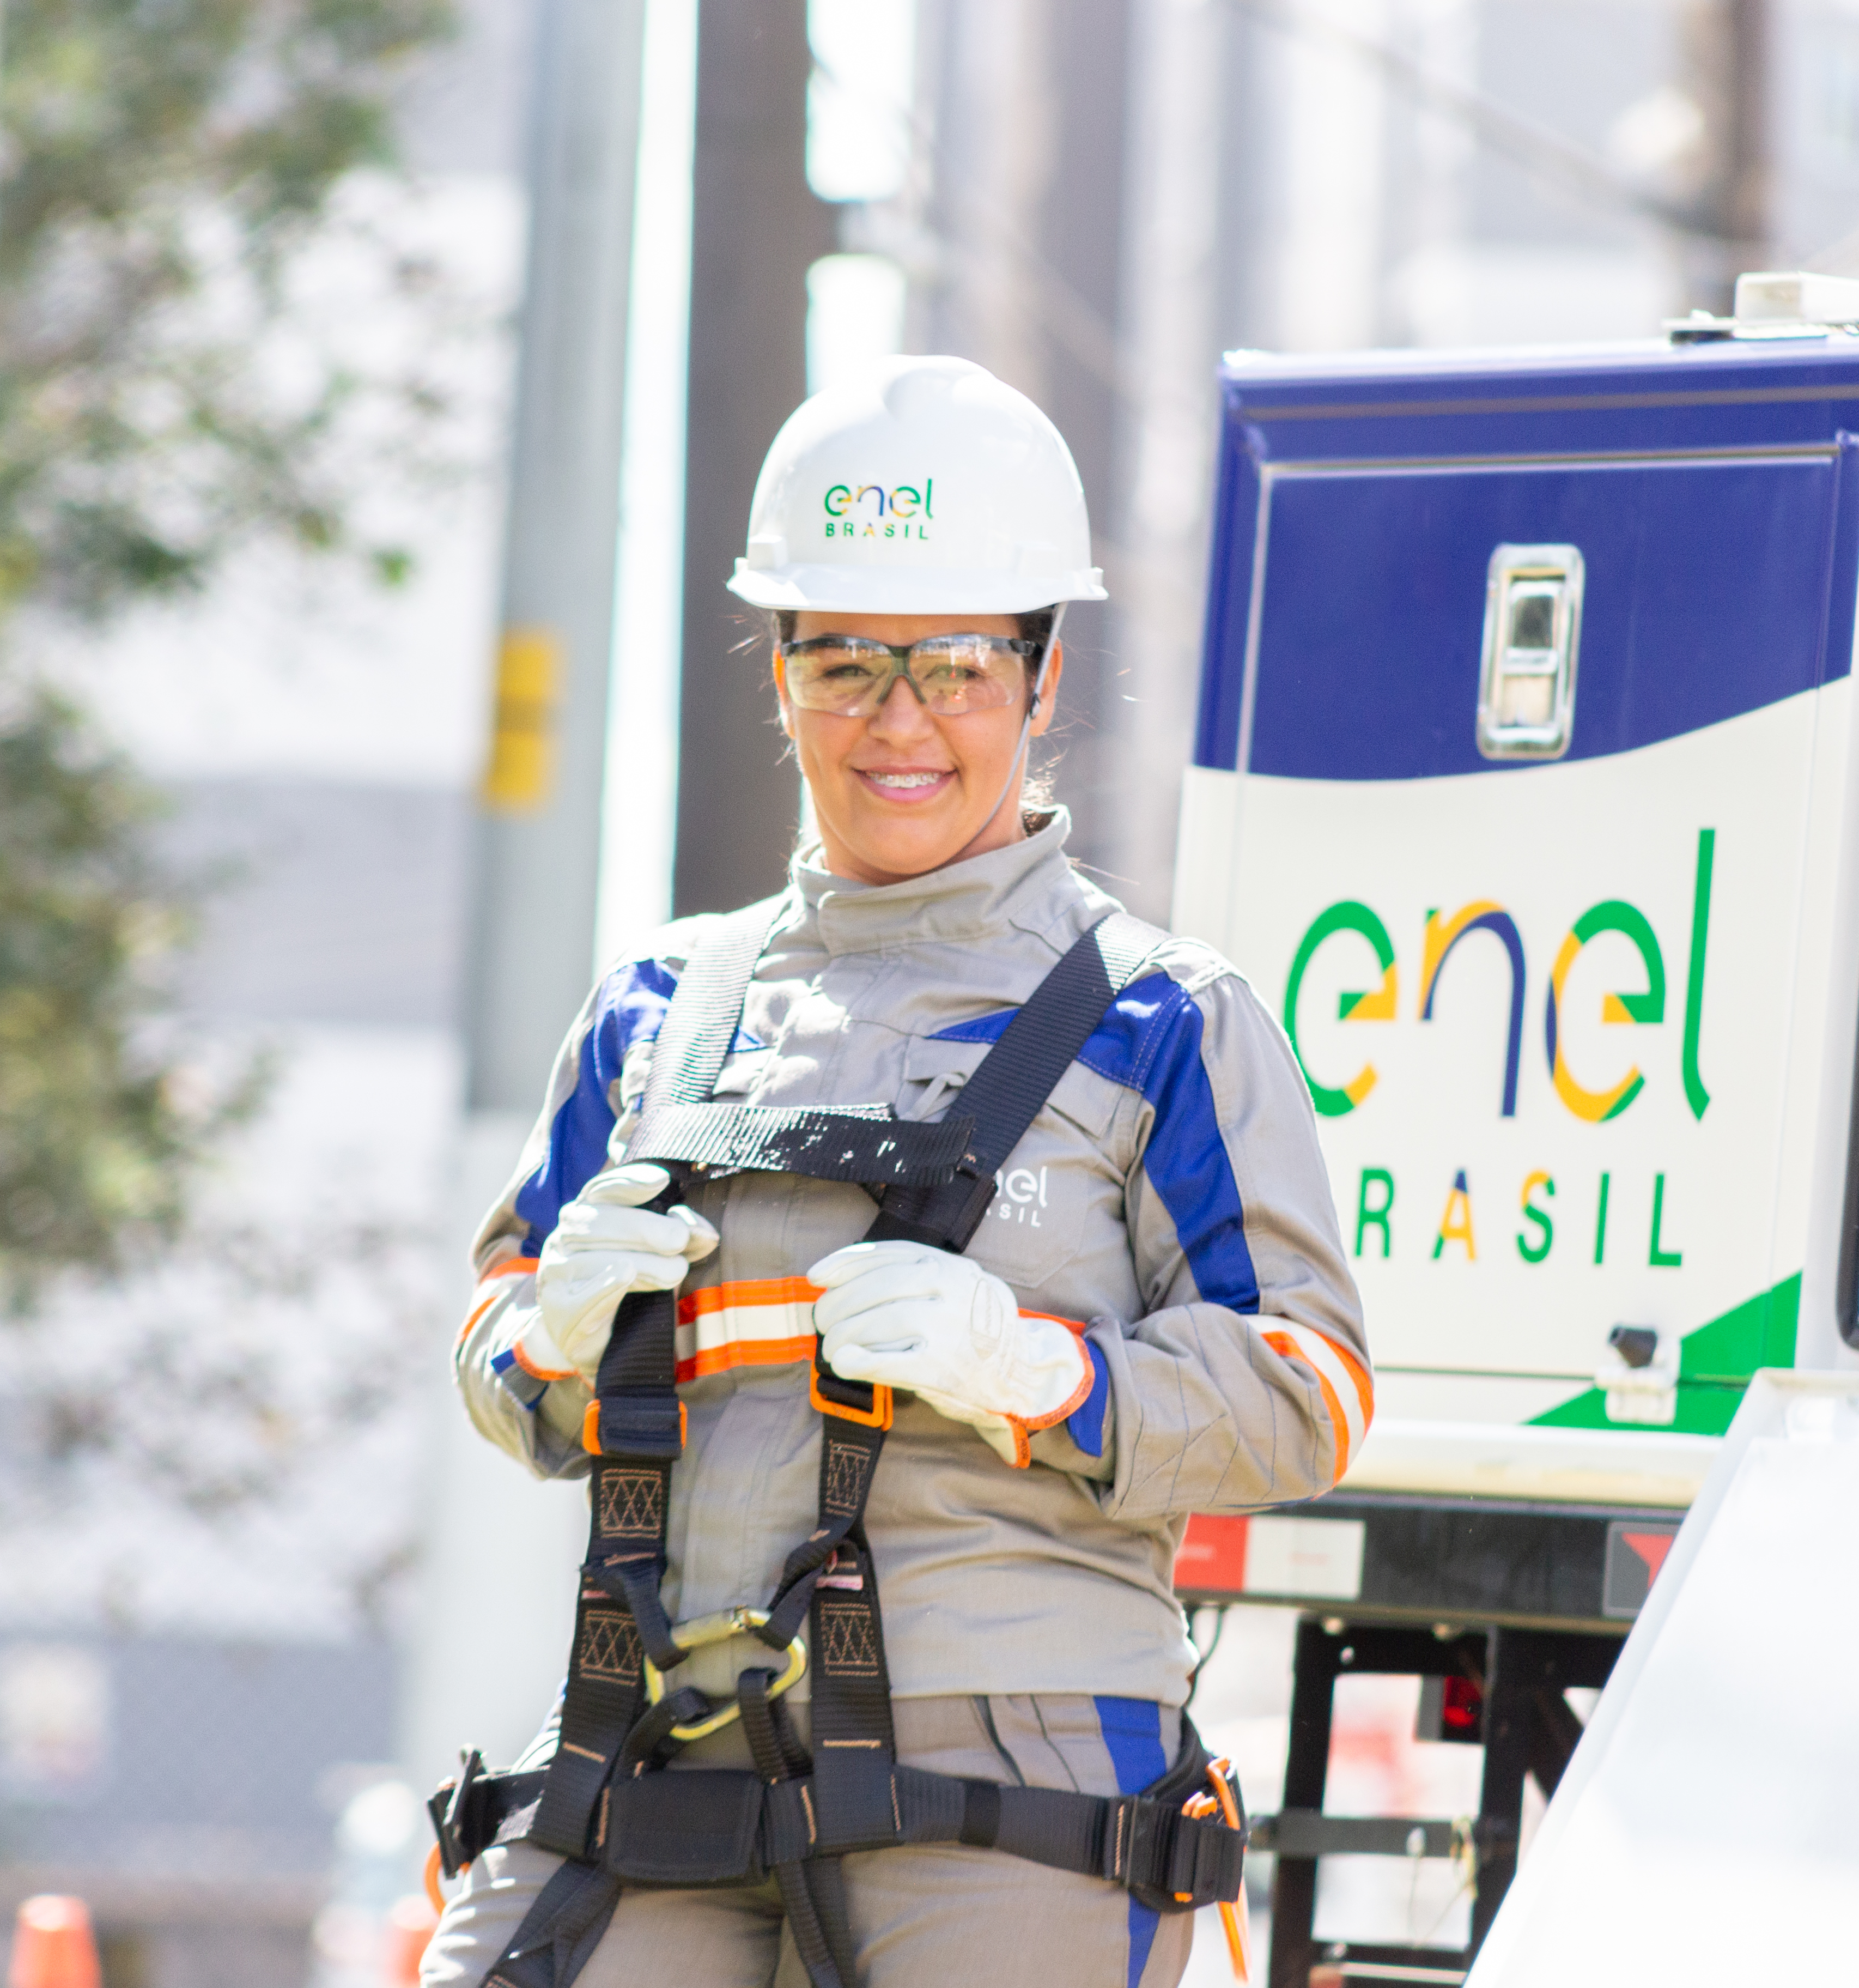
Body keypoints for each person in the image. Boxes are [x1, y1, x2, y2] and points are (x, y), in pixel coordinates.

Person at [422, 355, 1369, 1988]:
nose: (901, 721)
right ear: (777, 672)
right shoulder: (663, 1010)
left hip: (1010, 1773)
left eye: (954, 666)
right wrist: (544, 1340)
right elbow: (504, 1354)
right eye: (848, 664)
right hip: (654, 1746)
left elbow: (1311, 1388)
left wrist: (1034, 1372)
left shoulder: (1160, 1021)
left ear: (1042, 675)